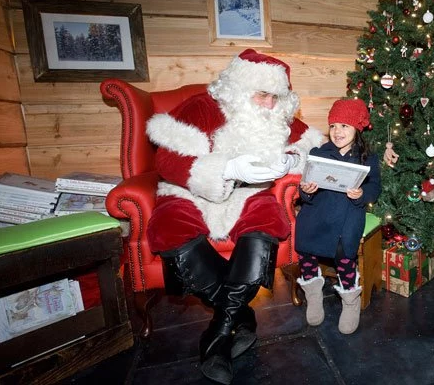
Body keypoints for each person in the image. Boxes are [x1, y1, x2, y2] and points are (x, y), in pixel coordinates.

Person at [145, 49, 323, 385]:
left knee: (269, 219)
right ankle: (241, 317)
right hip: (190, 191)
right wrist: (226, 168)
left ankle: (219, 332)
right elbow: (167, 161)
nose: (270, 105)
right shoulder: (202, 107)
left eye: (276, 97)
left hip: (248, 194)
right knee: (170, 226)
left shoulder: (278, 117)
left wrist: (293, 158)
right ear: (240, 88)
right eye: (262, 95)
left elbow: (313, 145)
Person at [294, 98, 381, 334]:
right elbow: (304, 186)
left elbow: (375, 187)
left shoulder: (367, 157)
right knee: (304, 243)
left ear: (356, 129)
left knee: (345, 253)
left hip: (348, 212)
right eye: (333, 125)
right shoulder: (319, 152)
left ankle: (350, 300)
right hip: (318, 209)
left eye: (345, 126)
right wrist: (307, 191)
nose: (337, 131)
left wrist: (362, 194)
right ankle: (313, 293)